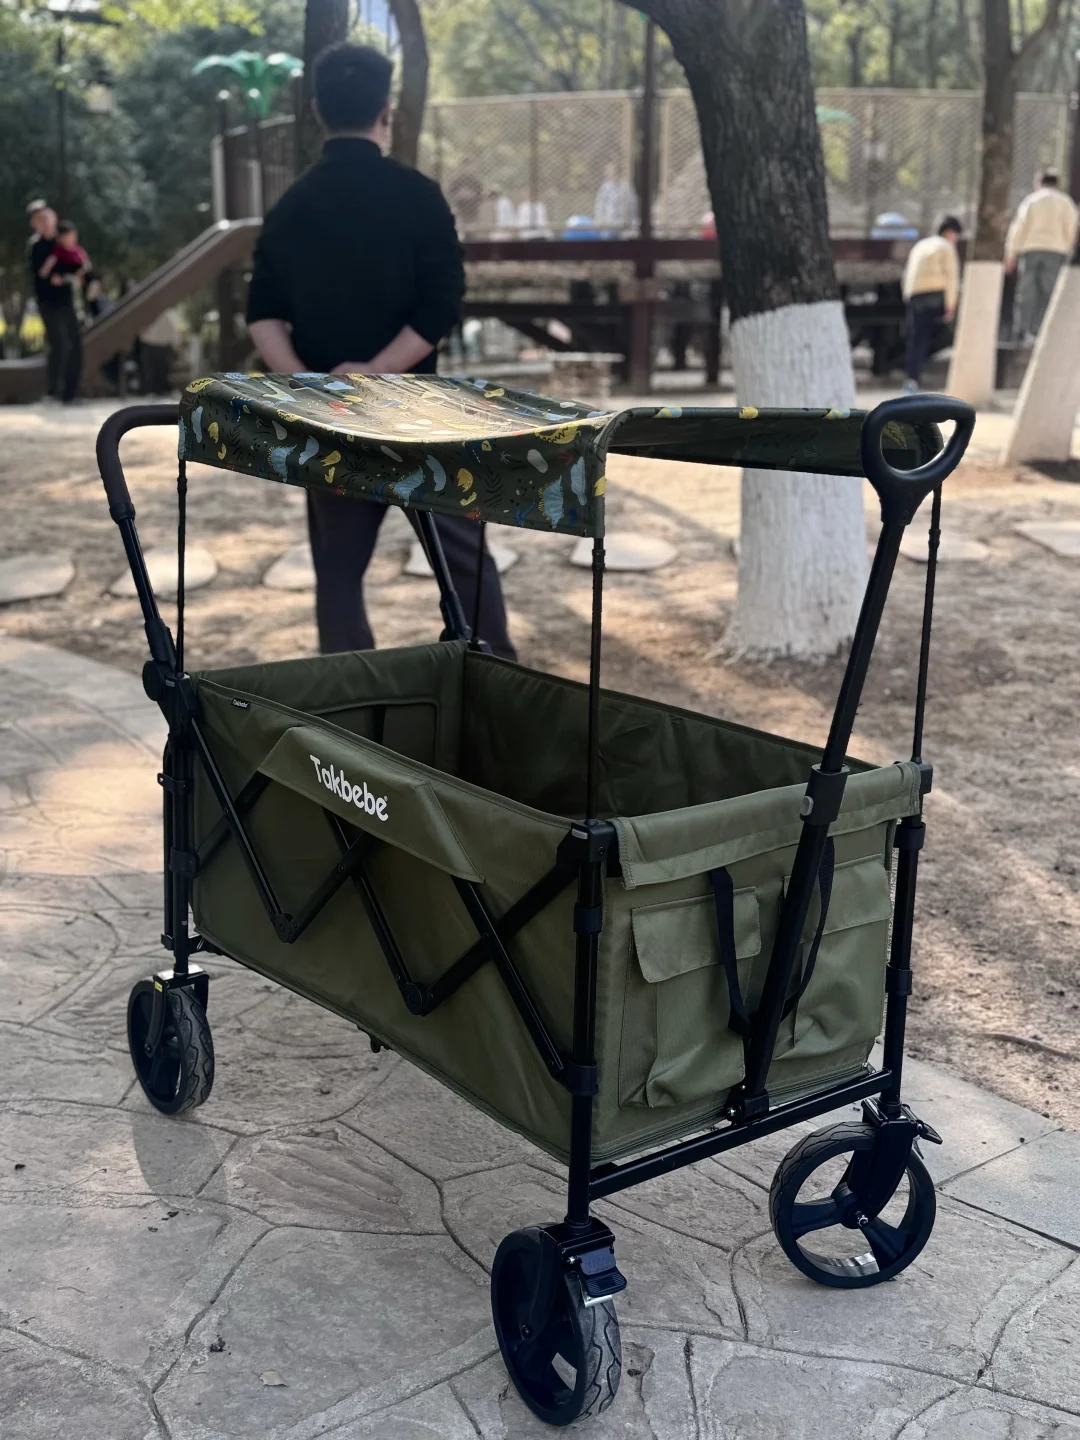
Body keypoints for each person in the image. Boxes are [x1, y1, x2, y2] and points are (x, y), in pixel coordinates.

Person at [246, 43, 514, 659]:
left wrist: (312, 384)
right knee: (465, 564)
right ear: (386, 111)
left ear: (317, 110)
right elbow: (440, 309)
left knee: (338, 574)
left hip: (331, 419)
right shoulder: (419, 196)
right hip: (420, 415)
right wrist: (377, 371)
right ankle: (498, 679)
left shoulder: (291, 208)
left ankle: (350, 698)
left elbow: (263, 316)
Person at [1005, 168, 1079, 340]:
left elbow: (1019, 227)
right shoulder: (1066, 202)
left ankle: (1023, 330)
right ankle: (1045, 331)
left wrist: (1011, 253)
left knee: (1027, 291)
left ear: (1039, 183)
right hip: (1056, 251)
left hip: (1031, 250)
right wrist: (1068, 248)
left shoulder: (1032, 200)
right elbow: (1072, 229)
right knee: (1050, 291)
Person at [26, 201, 82, 402]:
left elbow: (76, 266)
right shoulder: (37, 247)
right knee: (59, 344)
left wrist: (69, 277)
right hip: (48, 302)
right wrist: (52, 278)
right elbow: (40, 276)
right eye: (41, 220)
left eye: (48, 219)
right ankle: (53, 391)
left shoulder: (63, 243)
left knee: (75, 344)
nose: (46, 223)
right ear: (35, 224)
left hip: (66, 301)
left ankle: (71, 393)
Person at [900, 214, 961, 394]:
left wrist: (907, 297)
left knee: (917, 338)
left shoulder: (920, 245)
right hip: (937, 294)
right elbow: (952, 278)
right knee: (948, 333)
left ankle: (912, 379)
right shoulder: (946, 247)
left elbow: (908, 273)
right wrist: (951, 306)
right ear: (950, 233)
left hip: (915, 294)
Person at [593, 163, 638, 234]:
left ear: (617, 172)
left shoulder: (626, 187)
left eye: (609, 171)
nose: (606, 173)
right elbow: (599, 206)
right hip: (607, 225)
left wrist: (630, 222)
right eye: (606, 171)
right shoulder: (604, 188)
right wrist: (600, 221)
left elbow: (633, 207)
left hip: (622, 224)